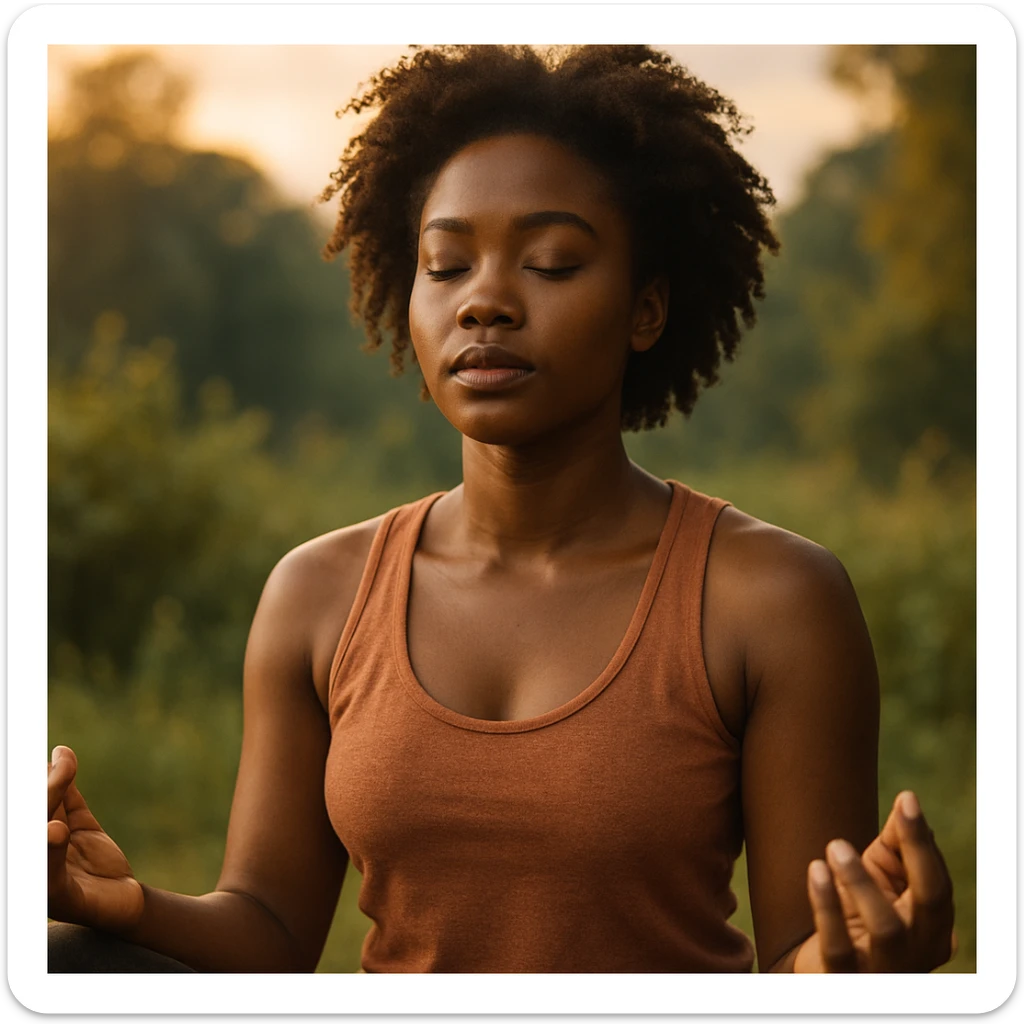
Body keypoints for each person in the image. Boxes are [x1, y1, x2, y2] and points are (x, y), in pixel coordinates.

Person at [47, 44, 956, 974]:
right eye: (445, 266)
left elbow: (805, 952)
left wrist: (857, 966)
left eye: (552, 263)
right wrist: (122, 906)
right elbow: (269, 933)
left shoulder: (770, 599)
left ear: (646, 310)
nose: (484, 302)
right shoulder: (319, 593)